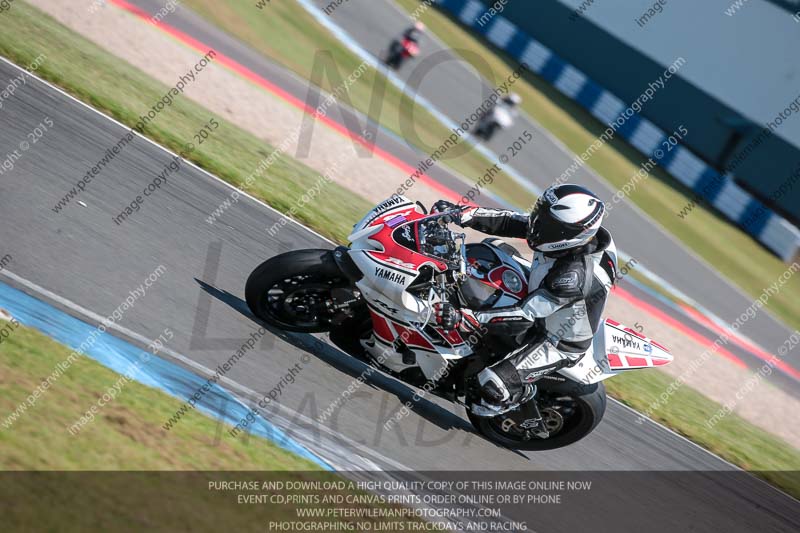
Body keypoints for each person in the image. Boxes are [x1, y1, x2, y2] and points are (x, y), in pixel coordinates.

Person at [432, 184, 619, 433]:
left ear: (570, 234)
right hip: (544, 289)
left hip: (554, 338)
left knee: (490, 387)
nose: (537, 226)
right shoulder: (572, 235)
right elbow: (514, 221)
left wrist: (466, 317)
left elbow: (525, 315)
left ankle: (519, 397)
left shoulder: (572, 278)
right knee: (488, 252)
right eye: (541, 215)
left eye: (548, 225)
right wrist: (461, 214)